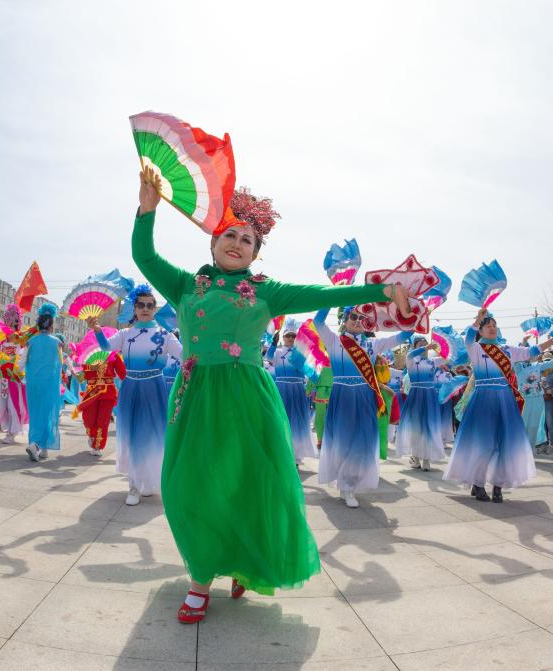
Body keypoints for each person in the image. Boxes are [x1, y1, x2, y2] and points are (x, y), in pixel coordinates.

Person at [132, 168, 414, 623]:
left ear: (256, 252)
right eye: (229, 234)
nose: (237, 243)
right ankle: (204, 567)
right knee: (188, 489)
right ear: (213, 241)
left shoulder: (268, 291)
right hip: (195, 397)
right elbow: (143, 256)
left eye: (247, 239)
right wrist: (147, 211)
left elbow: (324, 293)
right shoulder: (185, 285)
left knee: (245, 485)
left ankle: (219, 574)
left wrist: (383, 290)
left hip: (247, 401)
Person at [444, 309, 553, 502]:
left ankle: (498, 485)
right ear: (480, 331)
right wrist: (477, 320)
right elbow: (468, 338)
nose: (492, 328)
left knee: (504, 444)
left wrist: (552, 341)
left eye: (494, 325)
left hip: (505, 400)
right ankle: (478, 483)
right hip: (483, 400)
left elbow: (531, 352)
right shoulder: (476, 349)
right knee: (484, 444)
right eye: (487, 326)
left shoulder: (507, 350)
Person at [91, 285, 183, 503]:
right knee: (132, 434)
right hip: (130, 387)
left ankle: (148, 481)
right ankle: (133, 486)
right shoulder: (126, 333)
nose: (145, 308)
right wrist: (97, 330)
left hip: (155, 389)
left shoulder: (164, 335)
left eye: (149, 305)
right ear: (134, 308)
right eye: (141, 305)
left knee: (153, 435)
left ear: (154, 308)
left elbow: (184, 355)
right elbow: (106, 347)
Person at [314, 307, 411, 506]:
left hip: (365, 397)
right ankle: (346, 485)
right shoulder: (334, 340)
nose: (358, 320)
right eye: (353, 316)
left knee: (362, 440)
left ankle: (349, 483)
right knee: (343, 440)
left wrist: (414, 317)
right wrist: (331, 299)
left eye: (362, 318)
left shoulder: (373, 344)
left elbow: (402, 336)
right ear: (345, 319)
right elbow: (318, 321)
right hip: (342, 397)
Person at [267, 320, 316, 465]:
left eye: (293, 336)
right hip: (281, 390)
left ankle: (296, 455)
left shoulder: (301, 354)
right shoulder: (278, 352)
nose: (290, 338)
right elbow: (268, 358)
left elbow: (310, 371)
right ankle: (282, 452)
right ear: (283, 337)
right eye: (288, 336)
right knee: (282, 420)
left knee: (297, 422)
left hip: (297, 390)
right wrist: (273, 344)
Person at [396, 336, 447, 471]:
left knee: (428, 427)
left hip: (430, 396)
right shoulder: (411, 360)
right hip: (416, 395)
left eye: (426, 343)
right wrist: (425, 347)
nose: (425, 346)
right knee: (416, 428)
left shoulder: (433, 361)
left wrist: (442, 344)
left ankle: (426, 460)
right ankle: (416, 458)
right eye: (421, 344)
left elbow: (448, 357)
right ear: (414, 346)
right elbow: (410, 354)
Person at [24, 304, 64, 461]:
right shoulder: (57, 343)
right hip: (50, 384)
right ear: (51, 326)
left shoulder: (31, 341)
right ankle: (35, 444)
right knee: (47, 413)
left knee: (35, 413)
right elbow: (60, 364)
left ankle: (44, 448)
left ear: (38, 325)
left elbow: (22, 361)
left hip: (33, 383)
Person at [74, 349, 126, 456]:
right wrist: (92, 367)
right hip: (91, 391)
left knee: (103, 420)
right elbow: (81, 374)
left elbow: (123, 374)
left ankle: (97, 446)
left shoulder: (113, 355)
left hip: (108, 392)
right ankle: (92, 435)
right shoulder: (89, 353)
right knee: (88, 418)